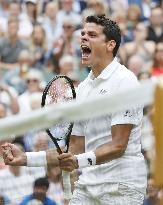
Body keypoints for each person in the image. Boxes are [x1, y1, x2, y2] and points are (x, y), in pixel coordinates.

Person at [2, 15, 147, 205]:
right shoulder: (83, 89)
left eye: (92, 35)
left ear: (110, 45)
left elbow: (118, 145)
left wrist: (78, 162)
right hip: (89, 184)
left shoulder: (125, 81)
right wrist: (25, 158)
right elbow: (75, 148)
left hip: (121, 186)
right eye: (83, 34)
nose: (84, 38)